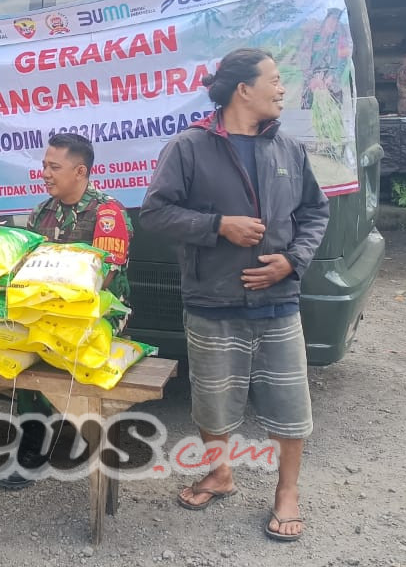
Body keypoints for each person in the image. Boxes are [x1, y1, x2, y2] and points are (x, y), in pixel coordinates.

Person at [138, 48, 329, 542]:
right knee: (212, 401)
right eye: (275, 79)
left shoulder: (288, 148)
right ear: (243, 89)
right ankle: (220, 473)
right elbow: (155, 213)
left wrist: (293, 260)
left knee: (290, 403)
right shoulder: (189, 146)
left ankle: (287, 492)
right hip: (212, 300)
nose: (282, 88)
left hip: (279, 302)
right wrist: (217, 225)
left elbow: (315, 212)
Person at [0, 132, 132, 491]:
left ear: (80, 171)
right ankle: (33, 444)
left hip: (97, 314)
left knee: (53, 344)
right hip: (47, 312)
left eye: (54, 167)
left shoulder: (107, 213)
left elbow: (105, 278)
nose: (45, 174)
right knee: (22, 347)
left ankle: (73, 436)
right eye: (44, 166)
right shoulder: (43, 212)